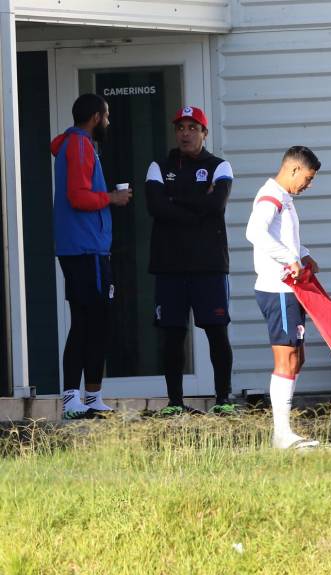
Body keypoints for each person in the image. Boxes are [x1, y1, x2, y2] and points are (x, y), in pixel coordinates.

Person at [145, 106, 235, 416]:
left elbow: (217, 204)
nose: (186, 132)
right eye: (181, 127)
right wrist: (199, 203)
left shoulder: (220, 166)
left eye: (193, 127)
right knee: (173, 334)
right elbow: (156, 208)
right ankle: (175, 402)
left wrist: (175, 200)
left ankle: (223, 399)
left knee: (216, 331)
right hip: (169, 265)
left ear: (204, 133)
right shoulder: (158, 166)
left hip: (208, 265)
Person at [51, 93, 132, 419]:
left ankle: (91, 397)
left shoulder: (74, 144)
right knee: (89, 323)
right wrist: (113, 197)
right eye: (107, 116)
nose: (109, 122)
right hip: (86, 249)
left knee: (92, 322)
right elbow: (78, 196)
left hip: (82, 247)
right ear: (96, 117)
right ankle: (74, 399)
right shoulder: (81, 145)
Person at [245, 146, 321, 449]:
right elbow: (255, 232)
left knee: (297, 357)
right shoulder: (271, 196)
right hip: (278, 289)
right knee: (287, 358)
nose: (309, 184)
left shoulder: (284, 198)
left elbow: (282, 237)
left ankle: (284, 429)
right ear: (293, 170)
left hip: (289, 289)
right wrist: (289, 260)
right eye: (308, 177)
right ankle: (281, 435)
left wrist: (303, 255)